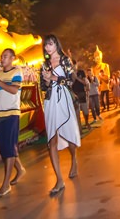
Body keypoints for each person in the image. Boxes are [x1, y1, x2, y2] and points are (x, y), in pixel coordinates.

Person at [39, 35, 81, 195]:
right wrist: (47, 80)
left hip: (63, 100)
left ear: (56, 44)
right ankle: (59, 180)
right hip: (50, 102)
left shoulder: (65, 60)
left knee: (69, 134)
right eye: (46, 45)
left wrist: (55, 77)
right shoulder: (44, 64)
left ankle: (74, 159)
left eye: (51, 44)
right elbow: (43, 86)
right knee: (52, 140)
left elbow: (71, 81)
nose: (48, 48)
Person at [0, 48, 26, 198]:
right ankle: (20, 169)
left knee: (8, 149)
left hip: (11, 113)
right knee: (5, 147)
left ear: (13, 58)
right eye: (2, 56)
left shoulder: (17, 71)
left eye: (6, 56)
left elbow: (14, 90)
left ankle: (5, 184)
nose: (2, 59)